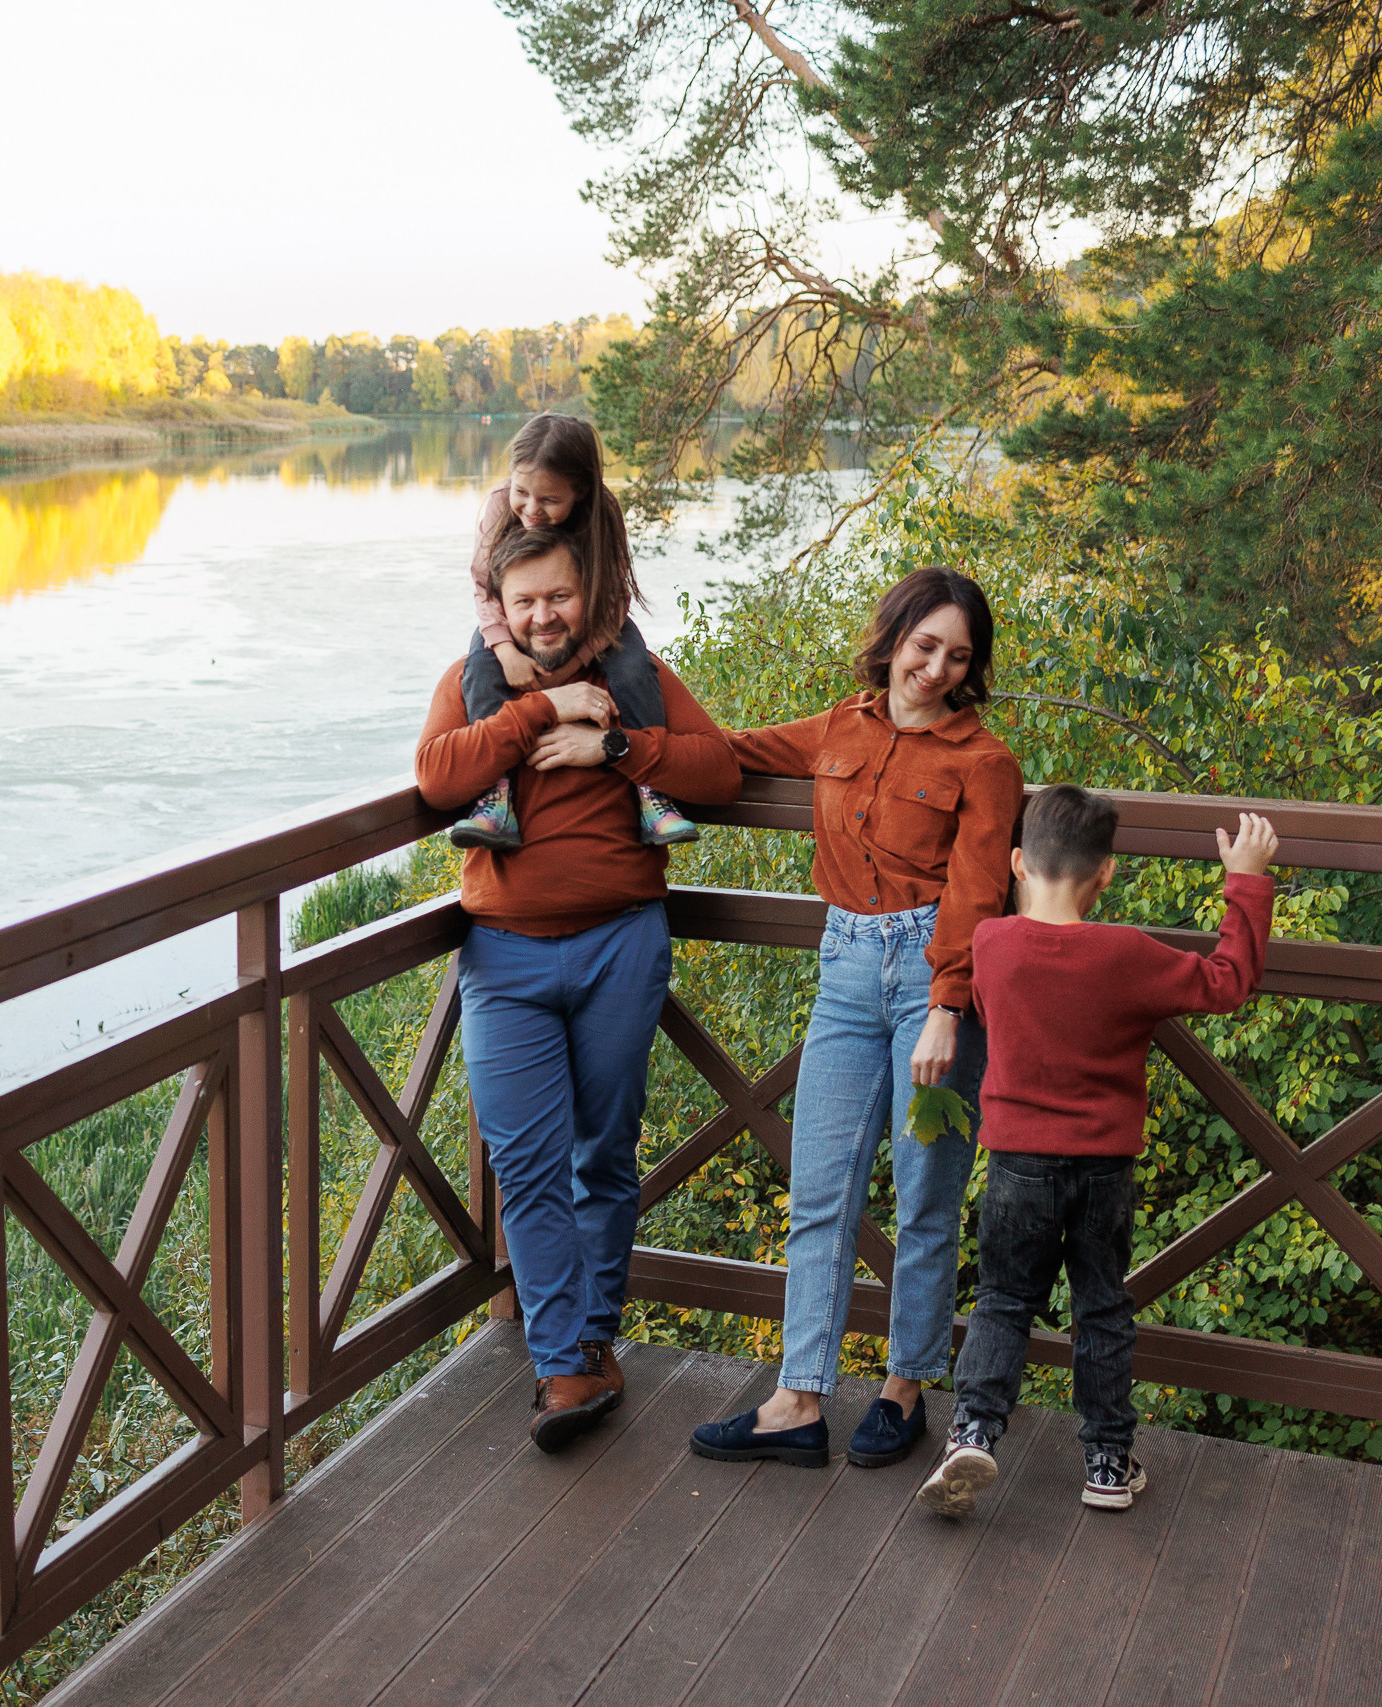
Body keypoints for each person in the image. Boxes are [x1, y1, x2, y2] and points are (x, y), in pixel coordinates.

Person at [415, 523, 740, 1451]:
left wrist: (618, 746)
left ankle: (594, 1339)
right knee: (525, 1163)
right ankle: (562, 1367)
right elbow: (438, 777)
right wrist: (533, 714)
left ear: (587, 593)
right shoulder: (473, 681)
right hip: (504, 959)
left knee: (603, 1150)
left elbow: (718, 767)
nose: (542, 614)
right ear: (501, 607)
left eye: (557, 596)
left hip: (618, 947)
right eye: (524, 601)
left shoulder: (633, 675)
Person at [689, 567, 1023, 1471]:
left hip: (931, 982)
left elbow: (981, 891)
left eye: (957, 656)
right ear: (893, 637)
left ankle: (905, 1386)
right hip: (842, 968)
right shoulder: (842, 726)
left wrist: (948, 1007)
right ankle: (798, 1399)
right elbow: (730, 752)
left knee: (925, 1196)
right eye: (924, 647)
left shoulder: (985, 763)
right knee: (821, 1187)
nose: (935, 669)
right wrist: (621, 739)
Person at [919, 788, 1277, 1517]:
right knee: (1103, 1308)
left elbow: (989, 998)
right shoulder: (1128, 955)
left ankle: (972, 1431)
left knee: (1002, 1300)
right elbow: (1227, 982)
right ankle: (1108, 1464)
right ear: (1106, 874)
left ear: (1019, 862)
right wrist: (1246, 879)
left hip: (1017, 1164)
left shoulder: (990, 944)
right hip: (1104, 1169)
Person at [447, 413, 699, 852]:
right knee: (480, 669)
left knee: (635, 669)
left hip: (598, 626)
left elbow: (616, 598)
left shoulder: (602, 515)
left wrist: (577, 664)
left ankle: (652, 796)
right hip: (511, 629)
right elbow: (484, 586)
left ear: (580, 491)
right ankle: (495, 798)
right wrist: (505, 649)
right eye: (522, 493)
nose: (530, 509)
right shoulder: (498, 505)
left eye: (549, 499)